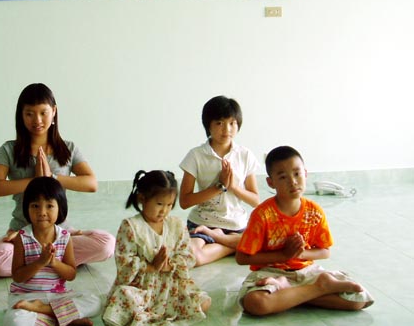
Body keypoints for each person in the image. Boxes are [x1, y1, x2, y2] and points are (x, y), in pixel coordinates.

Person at [0, 83, 115, 277]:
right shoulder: (9, 150)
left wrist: (51, 178)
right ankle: (52, 261)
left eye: (43, 113)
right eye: (29, 114)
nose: (37, 120)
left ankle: (39, 261)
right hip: (22, 233)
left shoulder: (68, 149)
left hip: (60, 233)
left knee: (106, 244)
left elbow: (91, 183)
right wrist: (36, 181)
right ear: (21, 115)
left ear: (54, 111)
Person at [235, 146, 374, 316]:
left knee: (358, 300)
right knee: (256, 303)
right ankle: (319, 288)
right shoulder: (262, 214)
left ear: (305, 173)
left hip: (306, 272)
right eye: (283, 177)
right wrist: (283, 256)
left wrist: (299, 254)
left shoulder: (314, 212)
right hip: (270, 272)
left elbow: (325, 252)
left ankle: (288, 293)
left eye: (297, 174)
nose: (293, 182)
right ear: (271, 183)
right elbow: (242, 258)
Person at [103, 170, 211, 326]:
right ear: (142, 198)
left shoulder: (176, 225)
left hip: (171, 287)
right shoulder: (131, 226)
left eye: (169, 205)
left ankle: (157, 316)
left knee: (202, 303)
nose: (164, 210)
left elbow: (187, 256)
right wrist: (151, 267)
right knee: (121, 303)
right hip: (142, 288)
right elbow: (124, 264)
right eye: (159, 204)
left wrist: (171, 265)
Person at [5, 176, 101, 326]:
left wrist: (54, 262)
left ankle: (44, 312)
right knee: (15, 321)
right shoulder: (21, 237)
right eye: (35, 206)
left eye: (49, 206)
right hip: (26, 297)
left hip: (58, 296)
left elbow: (71, 274)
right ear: (26, 208)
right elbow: (17, 277)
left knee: (95, 302)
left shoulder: (65, 237)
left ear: (60, 208)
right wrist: (40, 262)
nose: (42, 212)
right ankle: (63, 319)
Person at [178, 96, 260, 266]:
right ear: (208, 125)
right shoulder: (196, 155)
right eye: (219, 123)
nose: (227, 129)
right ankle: (232, 246)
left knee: (263, 244)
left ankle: (221, 240)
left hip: (236, 225)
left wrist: (233, 187)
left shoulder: (245, 155)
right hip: (203, 222)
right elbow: (184, 201)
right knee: (192, 257)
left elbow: (255, 200)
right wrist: (219, 186)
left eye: (232, 123)